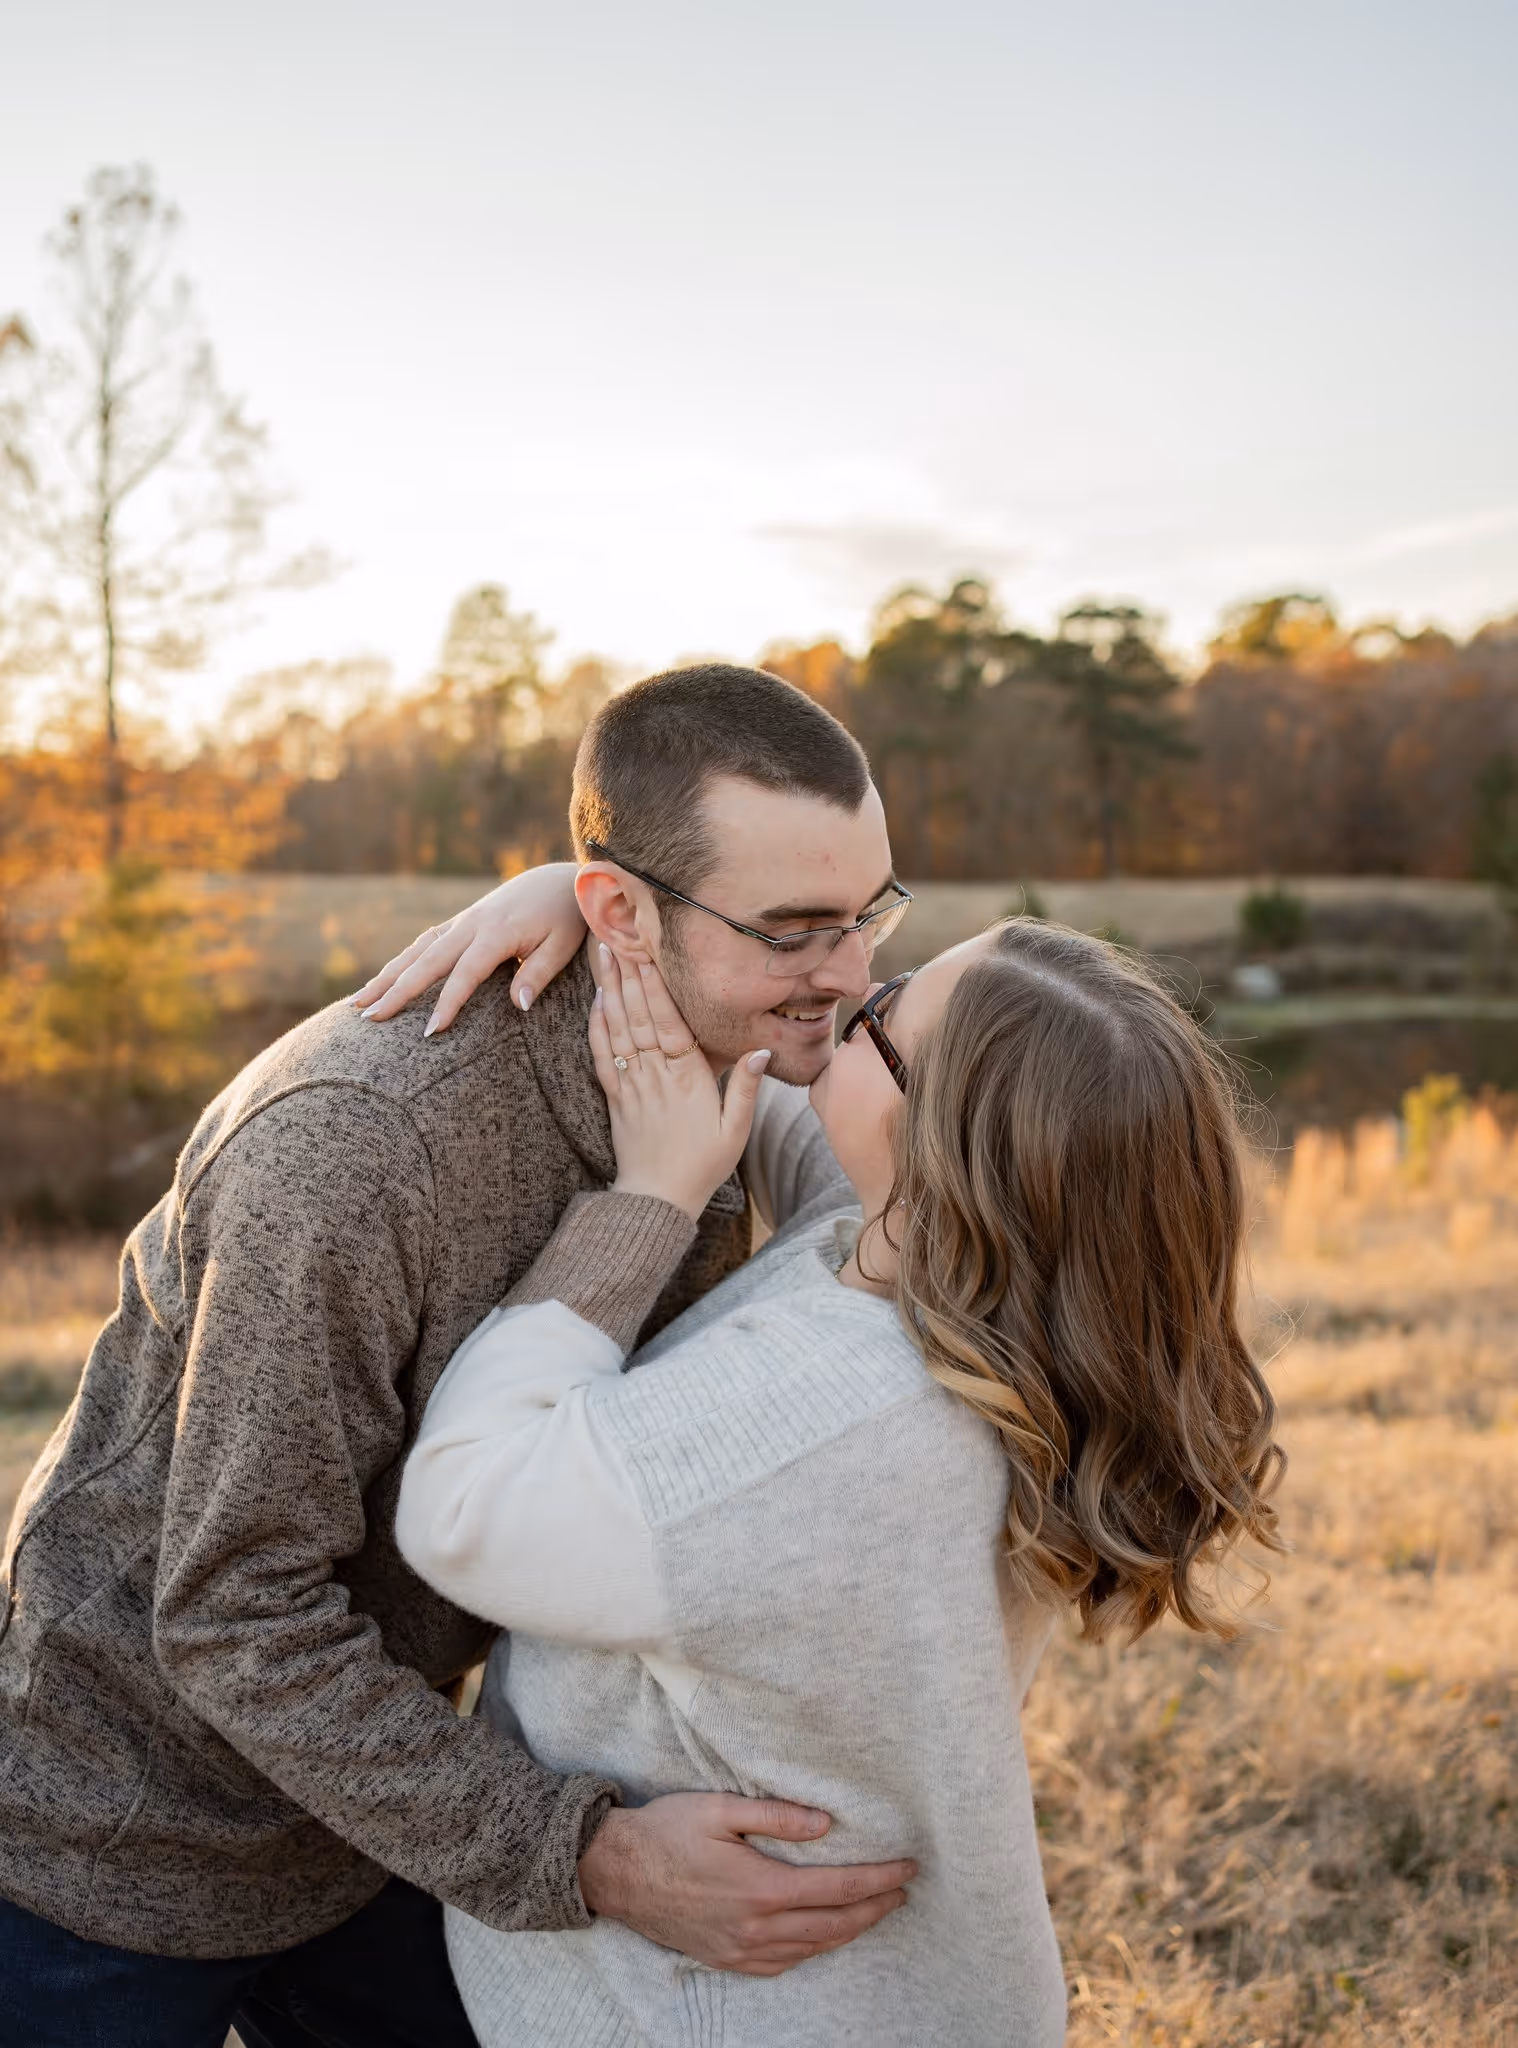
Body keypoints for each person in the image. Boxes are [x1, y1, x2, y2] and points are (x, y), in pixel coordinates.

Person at [0, 665, 921, 2048]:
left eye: (865, 917)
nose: (847, 979)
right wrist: (590, 1854)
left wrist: (573, 882)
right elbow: (232, 1613)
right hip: (113, 1841)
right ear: (625, 915)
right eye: (794, 930)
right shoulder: (354, 1155)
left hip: (380, 1811)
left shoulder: (724, 1048)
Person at [388, 897, 1285, 2044]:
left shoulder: (818, 1431)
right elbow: (778, 1091)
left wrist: (646, 1202)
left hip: (721, 2013)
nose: (850, 999)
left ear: (941, 1137)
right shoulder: (970, 1281)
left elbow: (462, 1503)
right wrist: (612, 899)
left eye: (881, 1015)